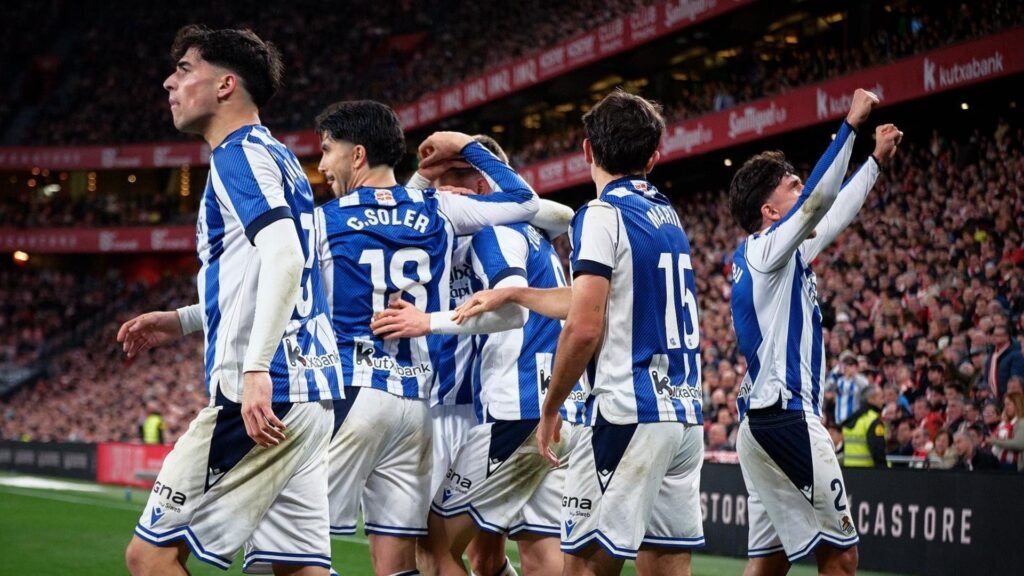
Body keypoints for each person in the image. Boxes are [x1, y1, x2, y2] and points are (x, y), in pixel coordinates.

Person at [117, 25, 342, 575]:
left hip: (266, 393)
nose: (169, 82)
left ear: (225, 86)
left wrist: (256, 369)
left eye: (184, 69)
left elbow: (285, 258)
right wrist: (184, 320)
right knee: (297, 568)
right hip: (311, 392)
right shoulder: (281, 159)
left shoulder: (237, 154)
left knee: (149, 558)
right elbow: (279, 275)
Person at [312, 101, 540, 576]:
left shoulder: (322, 221)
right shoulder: (438, 207)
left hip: (352, 392)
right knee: (401, 564)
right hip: (414, 405)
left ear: (357, 155)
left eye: (327, 150)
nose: (322, 164)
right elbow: (525, 202)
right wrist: (467, 146)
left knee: (289, 551)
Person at [370, 135, 576, 576]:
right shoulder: (532, 232)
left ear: (480, 185)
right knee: (524, 557)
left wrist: (427, 322)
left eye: (448, 180)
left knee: (433, 547)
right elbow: (561, 215)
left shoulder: (494, 233)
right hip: (552, 410)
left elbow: (513, 308)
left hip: (516, 409)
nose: (439, 192)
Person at [728, 88, 900, 575]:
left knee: (768, 564)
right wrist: (850, 124)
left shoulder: (778, 255)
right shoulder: (765, 250)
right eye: (790, 186)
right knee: (842, 557)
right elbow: (819, 202)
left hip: (760, 424)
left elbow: (833, 211)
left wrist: (874, 162)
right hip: (786, 417)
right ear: (769, 212)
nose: (800, 188)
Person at [841, 385, 887, 468]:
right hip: (867, 471)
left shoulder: (851, 418)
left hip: (848, 470)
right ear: (871, 399)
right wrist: (884, 471)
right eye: (881, 398)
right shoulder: (873, 420)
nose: (883, 401)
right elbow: (878, 451)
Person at [982, 325, 1024, 400]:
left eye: (998, 335)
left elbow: (1016, 379)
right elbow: (986, 376)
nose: (994, 337)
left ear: (1007, 337)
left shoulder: (1016, 355)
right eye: (994, 335)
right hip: (991, 398)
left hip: (1007, 398)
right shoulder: (992, 355)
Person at [991, 391, 1024, 471]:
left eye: (1008, 404)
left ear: (1017, 404)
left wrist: (994, 441)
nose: (1005, 408)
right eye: (1005, 405)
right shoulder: (1007, 423)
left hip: (1013, 466)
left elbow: (1018, 444)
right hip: (1000, 462)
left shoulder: (1022, 422)